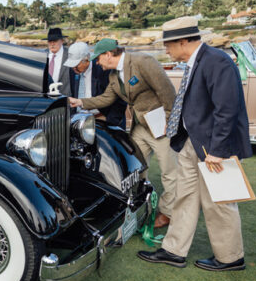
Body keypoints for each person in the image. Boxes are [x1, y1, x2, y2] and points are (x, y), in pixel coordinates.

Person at [138, 16, 252, 271]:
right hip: (192, 143)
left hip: (214, 148)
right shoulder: (196, 62)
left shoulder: (217, 62)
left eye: (168, 44)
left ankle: (231, 258)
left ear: (183, 41)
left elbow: (227, 110)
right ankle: (173, 251)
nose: (165, 49)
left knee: (219, 203)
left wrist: (218, 151)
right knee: (185, 197)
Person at [69, 39, 177, 228]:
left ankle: (168, 213)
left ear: (109, 54)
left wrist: (169, 120)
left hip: (160, 126)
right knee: (134, 168)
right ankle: (141, 203)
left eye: (99, 58)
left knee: (169, 172)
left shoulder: (143, 62)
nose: (97, 63)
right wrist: (80, 102)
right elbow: (106, 98)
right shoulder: (112, 75)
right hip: (139, 126)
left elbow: (166, 91)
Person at [63, 42, 127, 128]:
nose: (73, 68)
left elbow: (120, 99)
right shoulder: (73, 70)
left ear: (87, 59)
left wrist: (110, 122)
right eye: (72, 65)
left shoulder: (104, 69)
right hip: (79, 120)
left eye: (76, 64)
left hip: (103, 118)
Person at [43, 28, 69, 92]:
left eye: (55, 41)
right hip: (45, 98)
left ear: (62, 41)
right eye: (50, 41)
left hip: (66, 98)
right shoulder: (42, 55)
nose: (52, 44)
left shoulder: (70, 55)